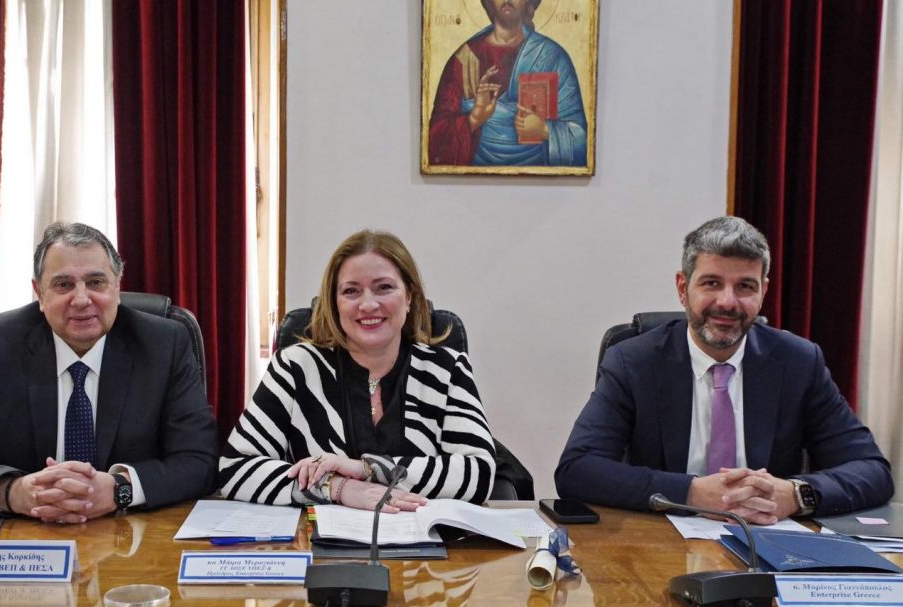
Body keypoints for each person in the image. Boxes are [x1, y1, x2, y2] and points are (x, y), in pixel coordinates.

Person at [556, 216, 893, 523]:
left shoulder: (798, 363)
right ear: (683, 288)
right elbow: (577, 470)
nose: (727, 302)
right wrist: (691, 493)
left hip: (767, 542)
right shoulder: (633, 362)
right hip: (661, 541)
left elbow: (872, 471)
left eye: (745, 286)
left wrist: (796, 495)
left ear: (763, 292)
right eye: (712, 283)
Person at [0, 222, 218, 523]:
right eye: (64, 284)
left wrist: (119, 489)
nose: (81, 299)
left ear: (117, 286)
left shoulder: (164, 345)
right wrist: (12, 492)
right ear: (40, 294)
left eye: (96, 282)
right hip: (23, 540)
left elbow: (200, 462)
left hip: (132, 538)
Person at [218, 229, 497, 511]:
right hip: (319, 537)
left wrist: (365, 469)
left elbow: (480, 473)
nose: (368, 304)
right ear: (334, 303)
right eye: (351, 291)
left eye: (384, 287)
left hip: (423, 536)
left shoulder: (447, 368)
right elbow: (235, 469)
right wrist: (337, 487)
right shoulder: (295, 366)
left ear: (410, 297)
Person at [428, 0, 587, 167]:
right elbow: (435, 143)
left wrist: (544, 130)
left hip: (538, 179)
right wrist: (473, 119)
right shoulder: (465, 59)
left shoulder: (553, 58)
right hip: (475, 179)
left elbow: (581, 141)